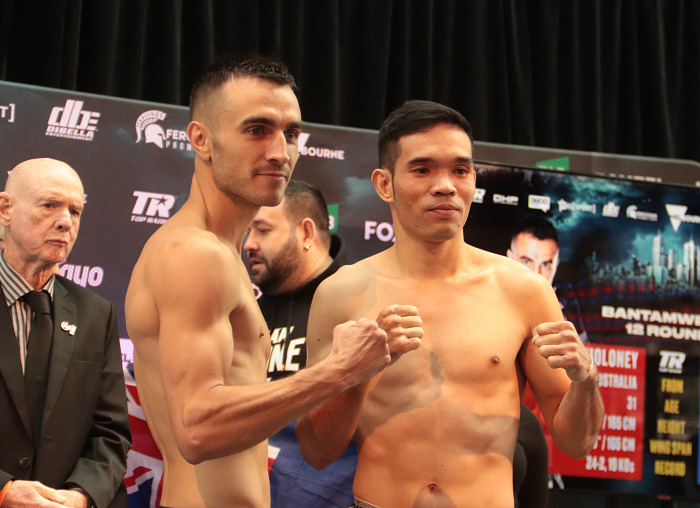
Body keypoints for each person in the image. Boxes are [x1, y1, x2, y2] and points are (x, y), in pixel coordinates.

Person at [124, 54, 403, 508]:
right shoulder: (196, 254)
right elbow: (197, 428)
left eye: (290, 134)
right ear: (201, 140)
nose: (280, 152)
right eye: (257, 130)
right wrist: (338, 370)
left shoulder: (219, 253)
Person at [296, 100, 604, 508]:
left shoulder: (523, 290)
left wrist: (587, 381)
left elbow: (577, 443)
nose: (445, 185)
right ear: (385, 184)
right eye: (422, 169)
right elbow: (317, 452)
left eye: (460, 170)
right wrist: (356, 373)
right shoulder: (340, 293)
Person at [0, 158, 131, 508]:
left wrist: (82, 496)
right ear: (5, 210)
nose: (65, 221)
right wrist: (3, 492)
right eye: (49, 205)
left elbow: (110, 432)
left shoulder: (96, 314)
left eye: (75, 211)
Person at [244, 179, 356, 507]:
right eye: (247, 232)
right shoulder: (243, 316)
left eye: (262, 230)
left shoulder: (359, 303)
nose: (248, 244)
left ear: (306, 233)